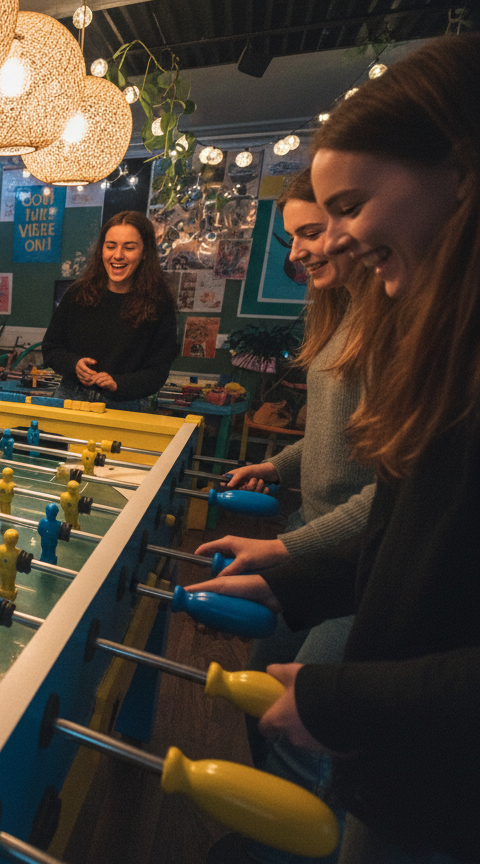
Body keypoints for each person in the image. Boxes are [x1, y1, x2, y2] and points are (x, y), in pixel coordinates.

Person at [191, 35, 480, 864]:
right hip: (405, 766)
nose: (337, 241)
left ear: (460, 170)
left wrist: (348, 699)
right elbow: (405, 524)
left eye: (349, 207)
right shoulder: (443, 336)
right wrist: (290, 574)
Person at [198, 169, 384, 864]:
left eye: (312, 232)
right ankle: (268, 830)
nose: (301, 250)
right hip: (311, 544)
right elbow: (341, 435)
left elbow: (388, 493)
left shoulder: (394, 323)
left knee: (306, 725)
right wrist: (277, 467)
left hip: (353, 568)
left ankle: (295, 849)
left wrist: (286, 552)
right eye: (295, 235)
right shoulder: (334, 313)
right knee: (266, 699)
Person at [42, 211, 177, 411]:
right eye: (110, 246)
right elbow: (51, 348)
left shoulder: (159, 303)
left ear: (145, 252)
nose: (118, 255)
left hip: (125, 405)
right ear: (101, 250)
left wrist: (118, 384)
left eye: (129, 247)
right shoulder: (77, 294)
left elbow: (157, 372)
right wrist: (74, 364)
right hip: (71, 398)